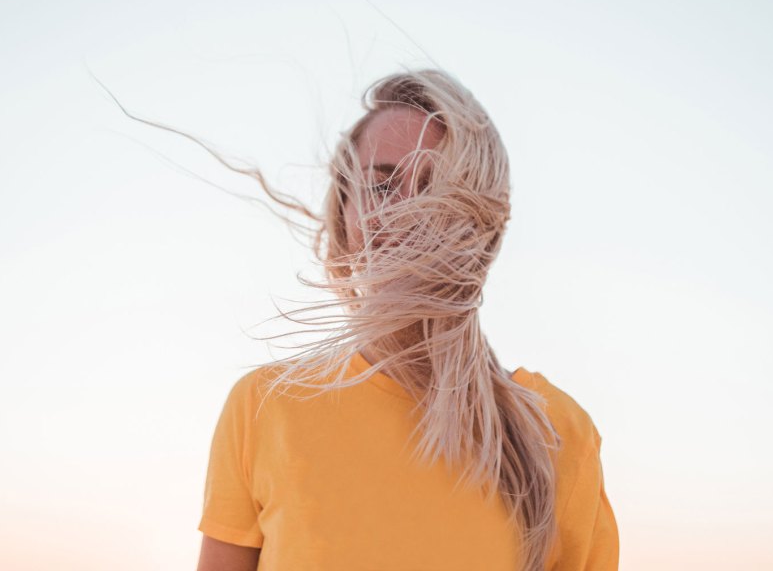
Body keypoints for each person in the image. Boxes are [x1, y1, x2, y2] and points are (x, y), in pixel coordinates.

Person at [195, 69, 619, 570]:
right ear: (344, 215)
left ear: (483, 226)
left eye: (436, 187)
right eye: (381, 185)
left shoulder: (557, 431)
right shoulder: (265, 406)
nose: (407, 212)